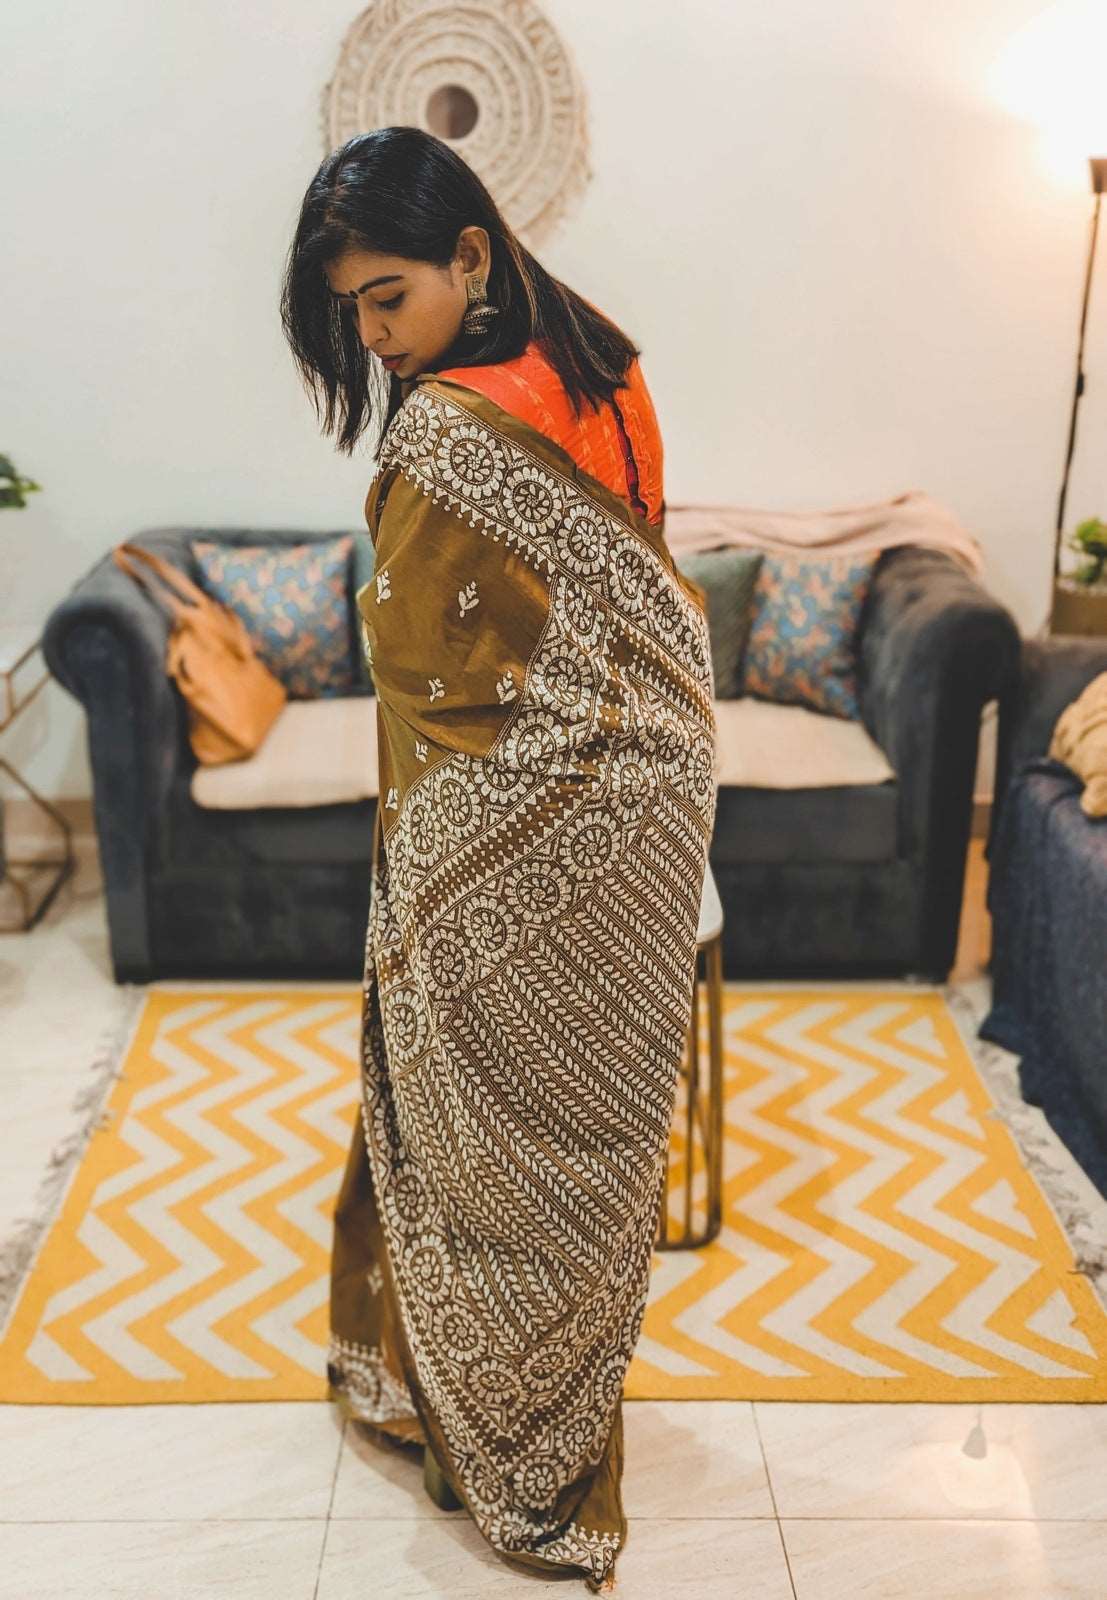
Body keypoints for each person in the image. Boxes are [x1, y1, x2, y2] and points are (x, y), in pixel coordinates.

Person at [280, 125, 717, 1595]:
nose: (375, 335)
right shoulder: (611, 364)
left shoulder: (448, 429)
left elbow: (417, 661)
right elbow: (645, 586)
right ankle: (528, 1432)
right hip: (656, 814)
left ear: (472, 258)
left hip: (497, 841)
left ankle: (484, 1444)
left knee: (488, 1145)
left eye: (385, 296)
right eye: (353, 312)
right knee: (579, 1154)